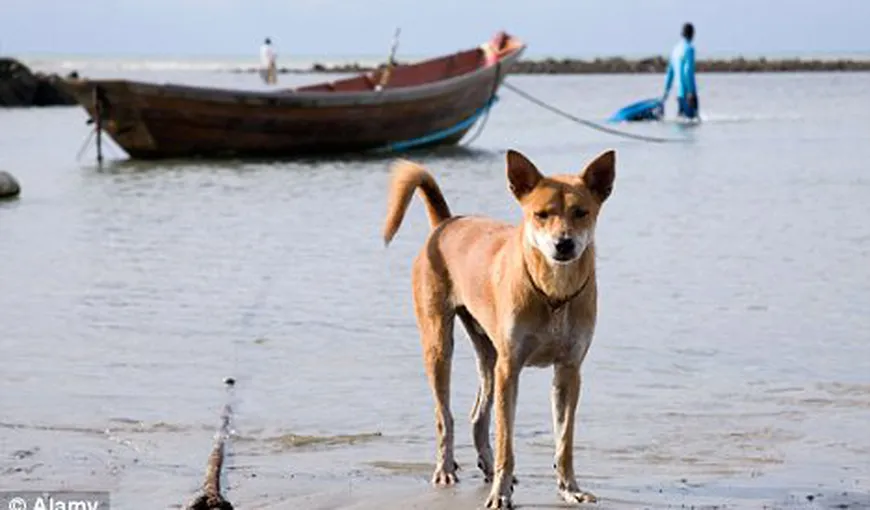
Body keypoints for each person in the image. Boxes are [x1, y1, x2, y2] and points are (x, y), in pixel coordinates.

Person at [662, 23, 699, 121]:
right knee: (693, 125)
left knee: (682, 124)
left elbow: (669, 73)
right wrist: (691, 91)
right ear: (692, 34)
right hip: (688, 93)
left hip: (679, 94)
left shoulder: (675, 50)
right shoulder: (689, 49)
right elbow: (687, 71)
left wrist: (666, 92)